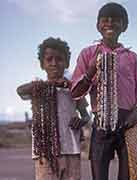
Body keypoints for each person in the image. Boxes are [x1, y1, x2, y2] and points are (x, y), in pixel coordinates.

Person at [71, 2, 137, 180]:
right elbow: (75, 92)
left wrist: (136, 114)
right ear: (98, 25)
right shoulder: (88, 53)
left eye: (116, 20)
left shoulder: (131, 57)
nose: (110, 23)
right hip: (101, 124)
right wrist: (90, 72)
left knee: (128, 174)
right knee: (99, 173)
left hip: (128, 124)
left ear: (124, 26)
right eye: (105, 19)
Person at [17, 37, 90, 180]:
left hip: (72, 150)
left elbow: (86, 116)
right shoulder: (37, 89)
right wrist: (46, 85)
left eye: (59, 59)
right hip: (45, 152)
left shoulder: (73, 89)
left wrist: (80, 121)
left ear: (67, 63)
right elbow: (20, 90)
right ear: (42, 64)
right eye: (49, 59)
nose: (54, 63)